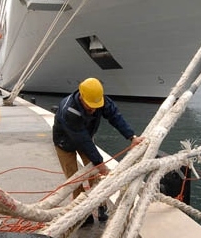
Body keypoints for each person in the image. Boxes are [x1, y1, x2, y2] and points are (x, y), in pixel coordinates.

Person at [52, 77, 144, 225]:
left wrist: (131, 136)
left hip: (85, 136)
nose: (94, 110)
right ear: (81, 97)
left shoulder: (98, 100)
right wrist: (100, 163)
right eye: (90, 107)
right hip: (64, 143)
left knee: (95, 174)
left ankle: (100, 204)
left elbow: (115, 116)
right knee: (74, 179)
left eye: (96, 106)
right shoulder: (70, 111)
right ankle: (82, 212)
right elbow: (82, 140)